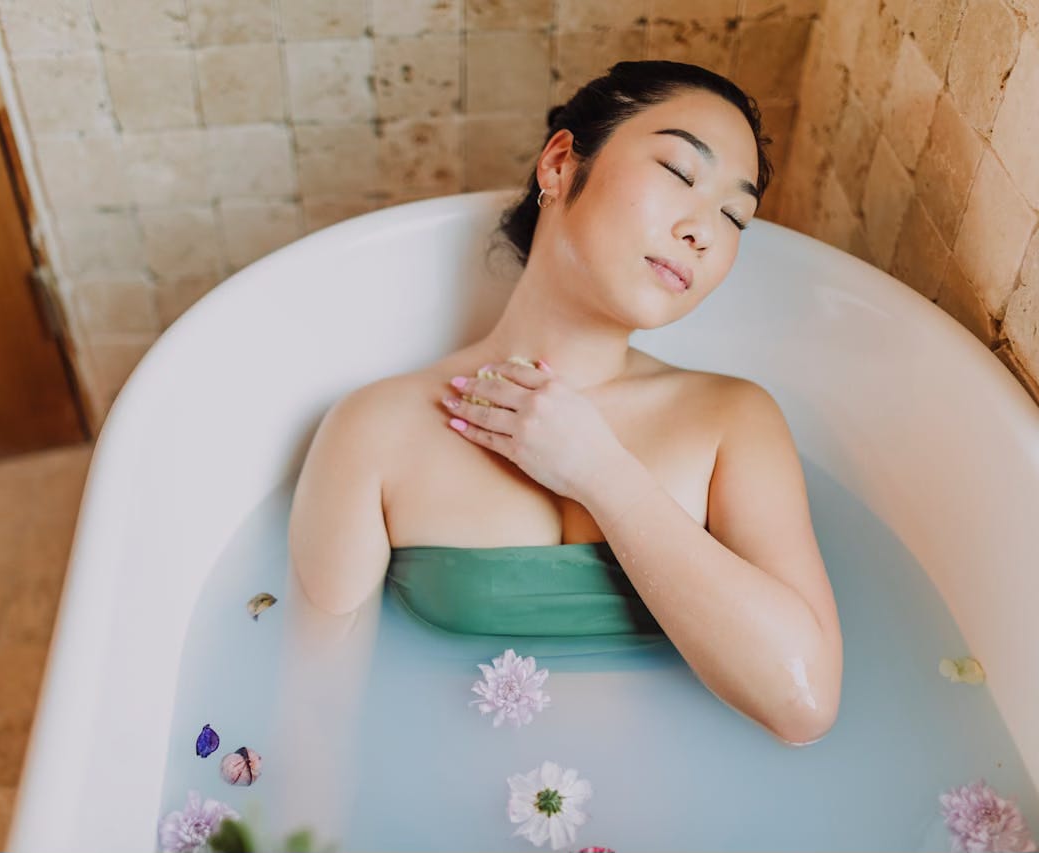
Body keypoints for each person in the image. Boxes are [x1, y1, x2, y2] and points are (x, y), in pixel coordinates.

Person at [287, 60, 843, 747]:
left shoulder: (733, 419)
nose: (705, 229)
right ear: (559, 164)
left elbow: (804, 704)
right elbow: (313, 719)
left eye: (736, 215)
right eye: (679, 173)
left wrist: (598, 470)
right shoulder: (375, 428)